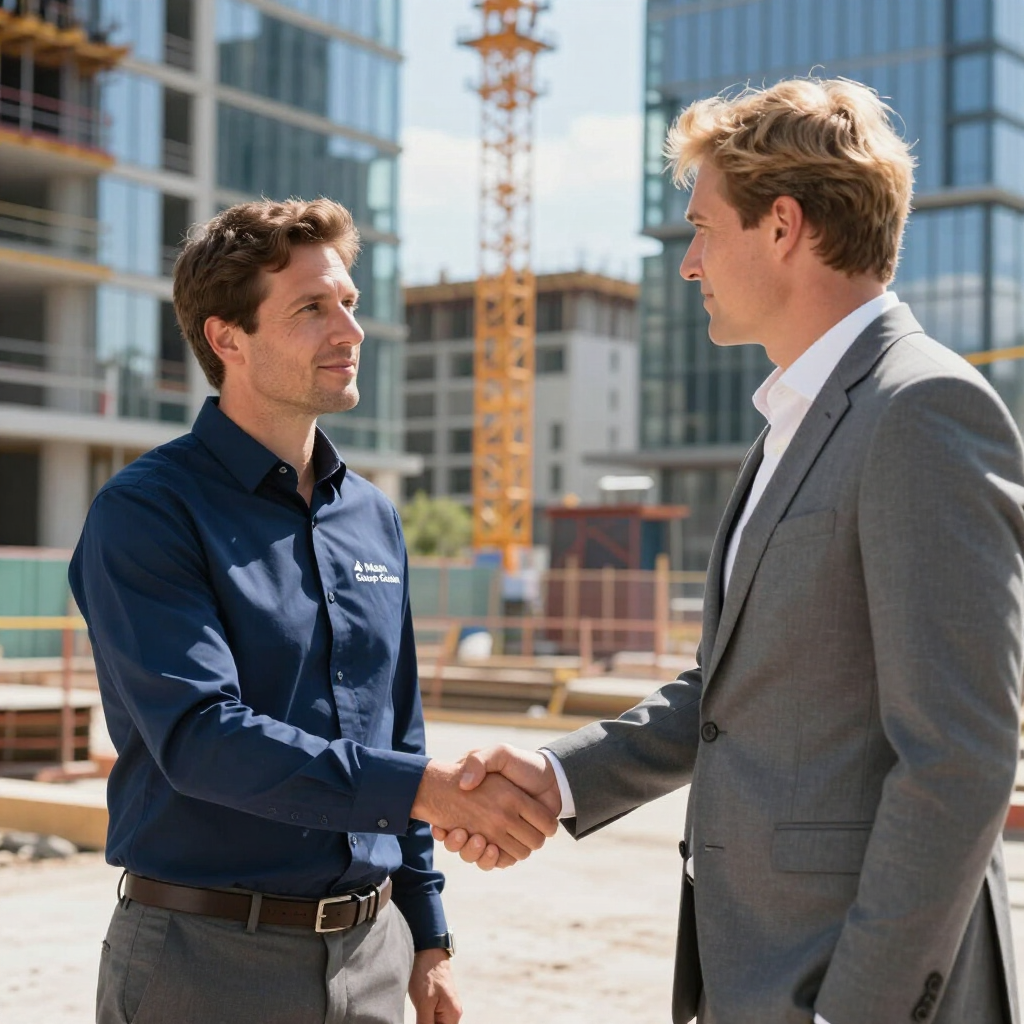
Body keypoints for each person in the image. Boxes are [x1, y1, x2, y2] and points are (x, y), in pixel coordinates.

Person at [436, 78, 1024, 1024]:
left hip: (851, 987)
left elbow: (961, 759)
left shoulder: (922, 411)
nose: (689, 262)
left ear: (783, 226)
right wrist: (559, 777)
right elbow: (737, 689)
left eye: (703, 228)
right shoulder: (793, 423)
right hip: (757, 974)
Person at [70, 198, 558, 1024]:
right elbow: (201, 739)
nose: (349, 330)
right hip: (205, 966)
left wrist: (428, 939)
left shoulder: (371, 515)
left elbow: (396, 734)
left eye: (349, 304)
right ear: (228, 340)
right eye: (311, 308)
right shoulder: (148, 512)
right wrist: (431, 792)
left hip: (374, 956)